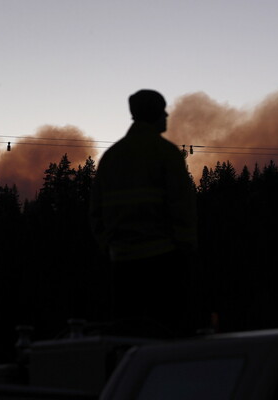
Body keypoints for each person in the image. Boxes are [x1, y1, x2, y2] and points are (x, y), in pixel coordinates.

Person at [90, 89, 198, 337]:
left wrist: (108, 246)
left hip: (123, 266)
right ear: (154, 114)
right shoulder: (165, 153)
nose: (167, 115)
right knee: (168, 334)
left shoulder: (112, 157)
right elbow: (181, 206)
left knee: (129, 337)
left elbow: (95, 211)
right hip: (164, 263)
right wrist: (186, 247)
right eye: (163, 110)